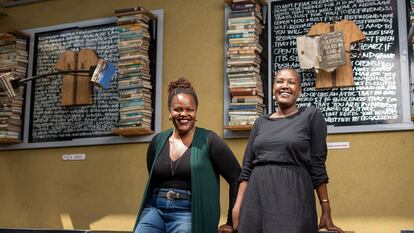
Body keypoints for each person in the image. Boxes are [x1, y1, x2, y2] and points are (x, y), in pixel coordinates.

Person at [232, 68, 344, 233]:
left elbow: (317, 165)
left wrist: (326, 209)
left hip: (294, 198)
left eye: (291, 82)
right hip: (256, 199)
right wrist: (237, 206)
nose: (285, 86)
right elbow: (247, 167)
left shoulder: (311, 116)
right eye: (280, 81)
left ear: (299, 91)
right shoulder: (260, 122)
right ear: (273, 89)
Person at [133, 77, 241, 233]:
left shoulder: (209, 140)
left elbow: (236, 177)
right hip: (154, 209)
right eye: (178, 109)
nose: (184, 114)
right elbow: (153, 176)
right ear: (170, 112)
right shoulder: (157, 141)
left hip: (189, 212)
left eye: (189, 109)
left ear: (196, 112)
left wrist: (231, 221)